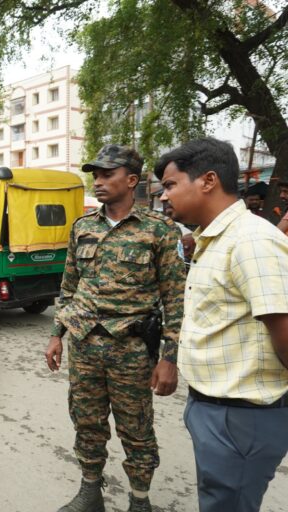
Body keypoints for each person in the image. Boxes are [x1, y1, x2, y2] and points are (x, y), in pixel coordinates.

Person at [45, 145, 186, 512]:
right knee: (86, 421)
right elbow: (69, 287)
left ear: (132, 180)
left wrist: (169, 358)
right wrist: (56, 334)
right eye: (96, 175)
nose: (99, 181)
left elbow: (175, 299)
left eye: (108, 174)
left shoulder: (159, 229)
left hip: (131, 349)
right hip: (84, 345)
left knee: (136, 428)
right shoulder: (82, 227)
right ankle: (90, 492)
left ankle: (139, 500)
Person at [155, 137, 288, 512]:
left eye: (170, 185)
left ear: (208, 181)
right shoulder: (213, 240)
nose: (163, 196)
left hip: (242, 417)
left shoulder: (251, 241)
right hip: (214, 409)